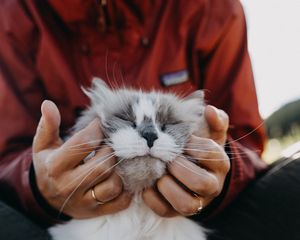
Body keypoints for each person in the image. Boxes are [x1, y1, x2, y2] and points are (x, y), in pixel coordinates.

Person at [0, 1, 299, 240]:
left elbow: (246, 142)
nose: (148, 136)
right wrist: (37, 186)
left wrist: (219, 175)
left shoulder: (214, 8)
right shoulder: (13, 14)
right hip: (55, 220)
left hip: (205, 220)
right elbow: (5, 158)